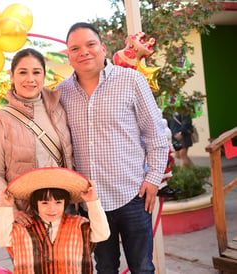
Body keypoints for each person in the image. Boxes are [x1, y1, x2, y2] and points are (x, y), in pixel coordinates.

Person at [57, 22, 169, 273]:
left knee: (142, 267)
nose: (83, 52)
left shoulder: (131, 80)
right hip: (89, 202)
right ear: (68, 55)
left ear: (103, 48)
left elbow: (155, 134)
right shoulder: (61, 93)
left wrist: (153, 178)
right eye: (75, 48)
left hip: (132, 196)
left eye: (90, 44)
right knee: (105, 268)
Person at [0, 48, 73, 227]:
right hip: (25, 216)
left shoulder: (59, 108)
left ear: (44, 76)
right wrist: (11, 211)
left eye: (36, 72)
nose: (30, 79)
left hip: (63, 210)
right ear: (12, 77)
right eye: (23, 72)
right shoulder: (1, 120)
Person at [0, 167, 110, 273]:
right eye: (45, 203)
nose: (52, 209)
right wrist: (6, 207)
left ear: (65, 203)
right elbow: (2, 239)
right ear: (36, 204)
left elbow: (102, 234)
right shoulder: (22, 228)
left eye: (58, 202)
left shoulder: (79, 225)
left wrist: (92, 202)